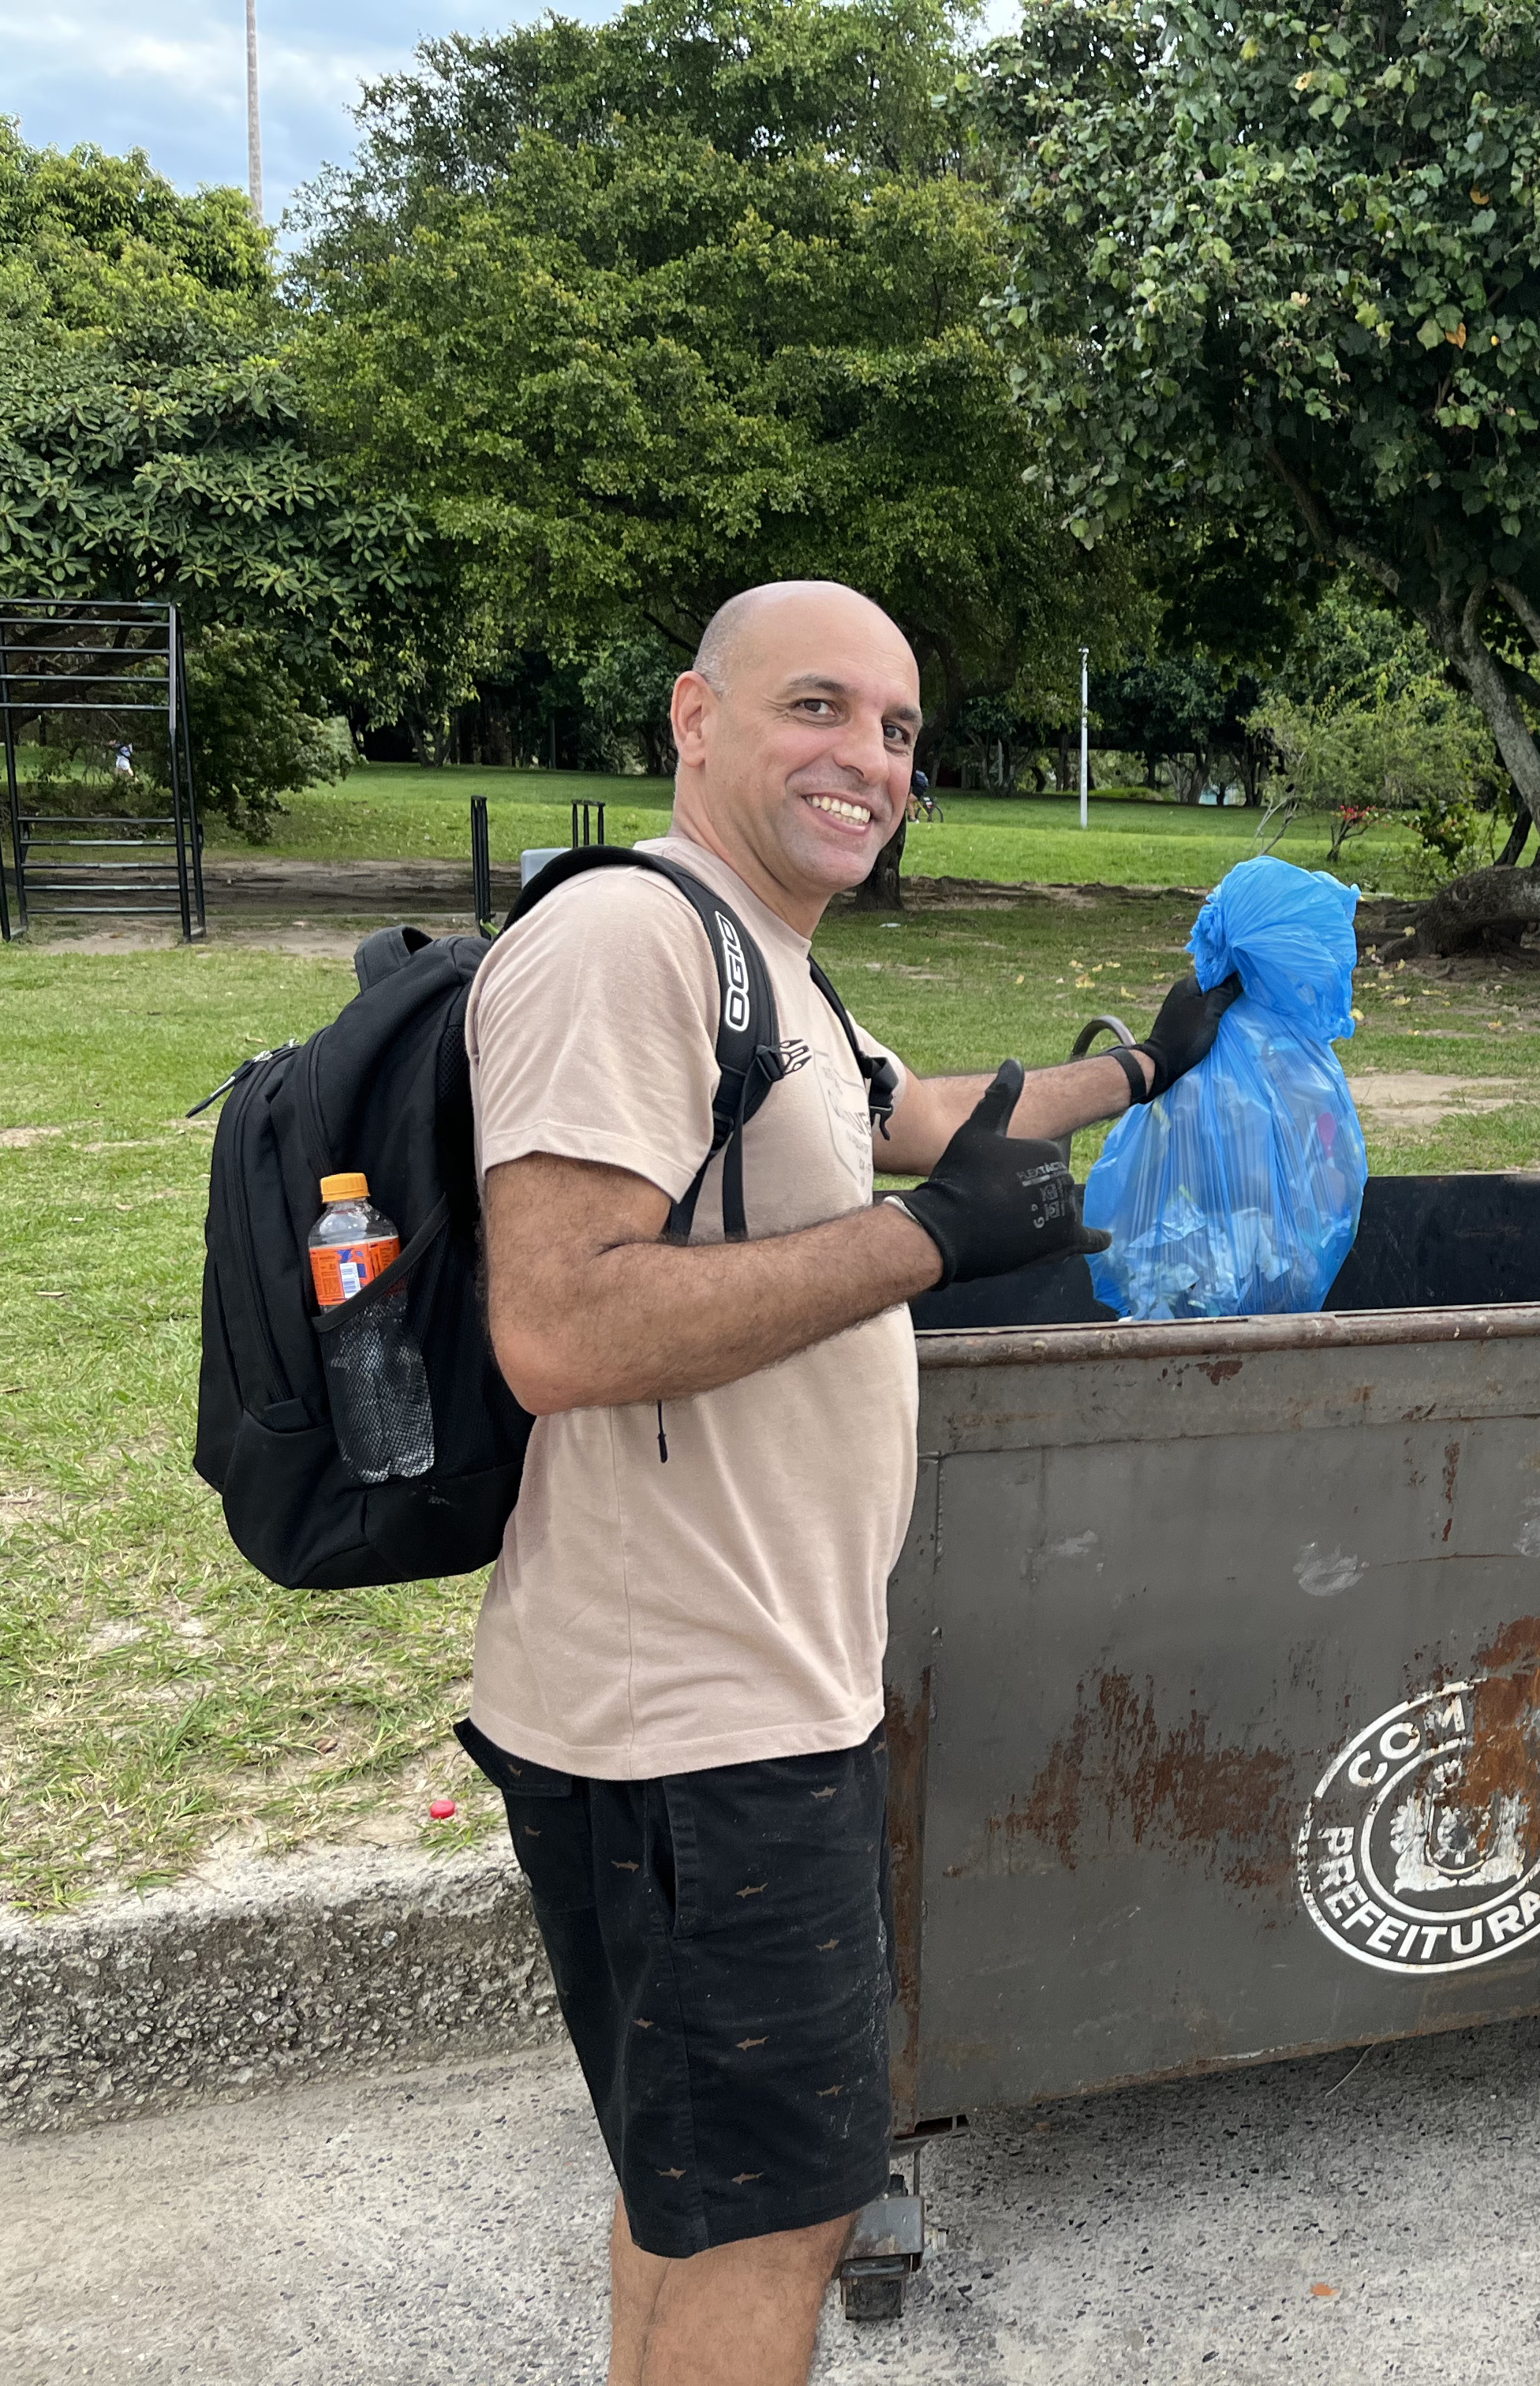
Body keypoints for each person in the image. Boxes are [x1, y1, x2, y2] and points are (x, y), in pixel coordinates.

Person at [458, 580, 1238, 2386]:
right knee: (773, 2215)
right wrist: (924, 1253)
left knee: (703, 2196)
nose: (866, 760)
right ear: (696, 717)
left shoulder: (767, 959)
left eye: (895, 731)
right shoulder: (627, 945)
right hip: (687, 1723)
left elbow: (910, 1118)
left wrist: (1139, 1066)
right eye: (818, 708)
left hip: (742, 1697)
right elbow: (559, 1327)